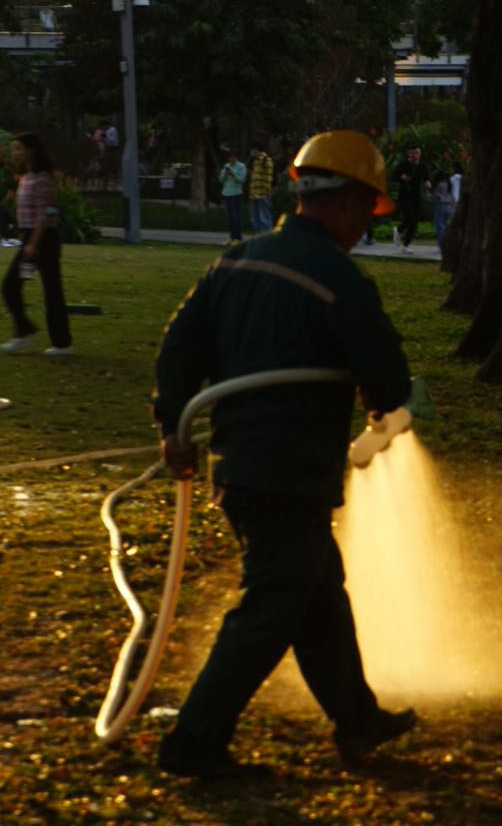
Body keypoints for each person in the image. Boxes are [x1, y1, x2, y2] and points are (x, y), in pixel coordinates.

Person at [153, 128, 417, 781]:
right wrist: (384, 407)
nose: (364, 226)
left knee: (318, 593)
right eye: (367, 212)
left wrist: (173, 427)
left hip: (239, 463)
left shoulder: (235, 262)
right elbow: (386, 376)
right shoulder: (340, 278)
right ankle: (194, 743)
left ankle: (357, 719)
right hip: (291, 472)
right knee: (272, 606)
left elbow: (178, 349)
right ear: (351, 201)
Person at [0, 132, 73, 356]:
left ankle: (61, 344)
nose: (15, 153)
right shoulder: (26, 176)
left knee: (51, 290)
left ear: (31, 150)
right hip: (30, 238)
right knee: (13, 286)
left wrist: (33, 243)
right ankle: (23, 332)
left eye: (18, 149)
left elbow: (49, 210)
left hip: (43, 240)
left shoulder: (42, 178)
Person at [393, 144, 429, 252]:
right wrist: (401, 177)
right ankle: (398, 230)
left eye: (417, 153)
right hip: (404, 197)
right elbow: (393, 176)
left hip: (416, 197)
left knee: (414, 223)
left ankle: (406, 245)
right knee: (410, 219)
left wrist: (428, 182)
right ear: (409, 154)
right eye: (413, 153)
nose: (415, 155)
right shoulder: (402, 165)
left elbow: (426, 177)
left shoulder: (423, 166)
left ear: (420, 154)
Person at [218, 148, 247, 241]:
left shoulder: (241, 166)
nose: (231, 159)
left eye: (233, 157)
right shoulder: (226, 166)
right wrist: (225, 174)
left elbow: (242, 180)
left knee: (236, 216)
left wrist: (233, 174)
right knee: (229, 217)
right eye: (230, 157)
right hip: (226, 193)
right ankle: (232, 237)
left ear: (236, 158)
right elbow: (221, 180)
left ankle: (238, 237)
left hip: (236, 193)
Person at [248, 139, 275, 233]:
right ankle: (258, 240)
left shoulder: (266, 160)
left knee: (265, 219)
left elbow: (268, 178)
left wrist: (266, 192)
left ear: (257, 149)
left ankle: (268, 240)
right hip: (254, 194)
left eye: (253, 149)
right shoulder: (255, 161)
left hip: (263, 194)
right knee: (255, 220)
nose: (252, 152)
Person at [430, 169, 454, 254]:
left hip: (440, 206)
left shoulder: (439, 184)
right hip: (450, 207)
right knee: (448, 227)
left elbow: (434, 197)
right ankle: (450, 245)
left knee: (440, 228)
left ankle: (442, 246)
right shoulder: (449, 184)